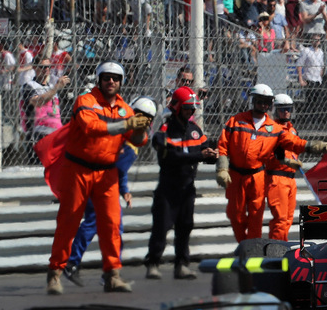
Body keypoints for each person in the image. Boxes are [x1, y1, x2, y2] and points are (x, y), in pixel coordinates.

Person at [45, 62, 150, 295]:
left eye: (115, 78)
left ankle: (113, 275)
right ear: (99, 80)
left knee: (112, 224)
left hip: (108, 173)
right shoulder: (86, 100)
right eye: (106, 77)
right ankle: (55, 273)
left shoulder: (125, 108)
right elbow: (91, 127)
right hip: (78, 169)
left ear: (121, 81)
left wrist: (141, 128)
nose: (111, 81)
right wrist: (127, 124)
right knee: (68, 222)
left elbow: (138, 139)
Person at [216, 83, 327, 243]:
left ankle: (252, 250)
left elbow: (293, 142)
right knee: (235, 214)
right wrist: (222, 168)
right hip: (235, 175)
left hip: (257, 176)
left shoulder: (274, 128)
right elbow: (223, 145)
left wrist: (316, 146)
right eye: (260, 100)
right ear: (253, 100)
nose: (263, 104)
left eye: (267, 101)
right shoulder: (236, 121)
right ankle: (243, 245)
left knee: (256, 216)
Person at [64, 97, 154, 287]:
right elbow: (118, 168)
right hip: (99, 183)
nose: (143, 121)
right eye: (140, 116)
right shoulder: (127, 143)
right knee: (99, 221)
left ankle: (110, 273)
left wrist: (124, 189)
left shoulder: (126, 138)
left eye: (147, 118)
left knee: (113, 228)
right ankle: (73, 261)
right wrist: (124, 189)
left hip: (102, 182)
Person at [144, 86, 216, 279]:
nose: (190, 112)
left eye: (192, 109)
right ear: (176, 107)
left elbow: (206, 149)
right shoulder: (164, 131)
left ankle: (181, 265)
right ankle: (153, 263)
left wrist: (213, 155)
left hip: (187, 188)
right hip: (168, 188)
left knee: (185, 226)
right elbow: (171, 157)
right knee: (161, 227)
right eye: (186, 108)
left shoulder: (195, 130)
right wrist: (198, 155)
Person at [264, 93, 310, 242]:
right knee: (280, 220)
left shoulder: (292, 130)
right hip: (277, 178)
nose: (286, 112)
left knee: (288, 219)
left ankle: (279, 249)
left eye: (288, 109)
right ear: (276, 110)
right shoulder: (270, 129)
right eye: (282, 109)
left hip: (290, 179)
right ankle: (277, 253)